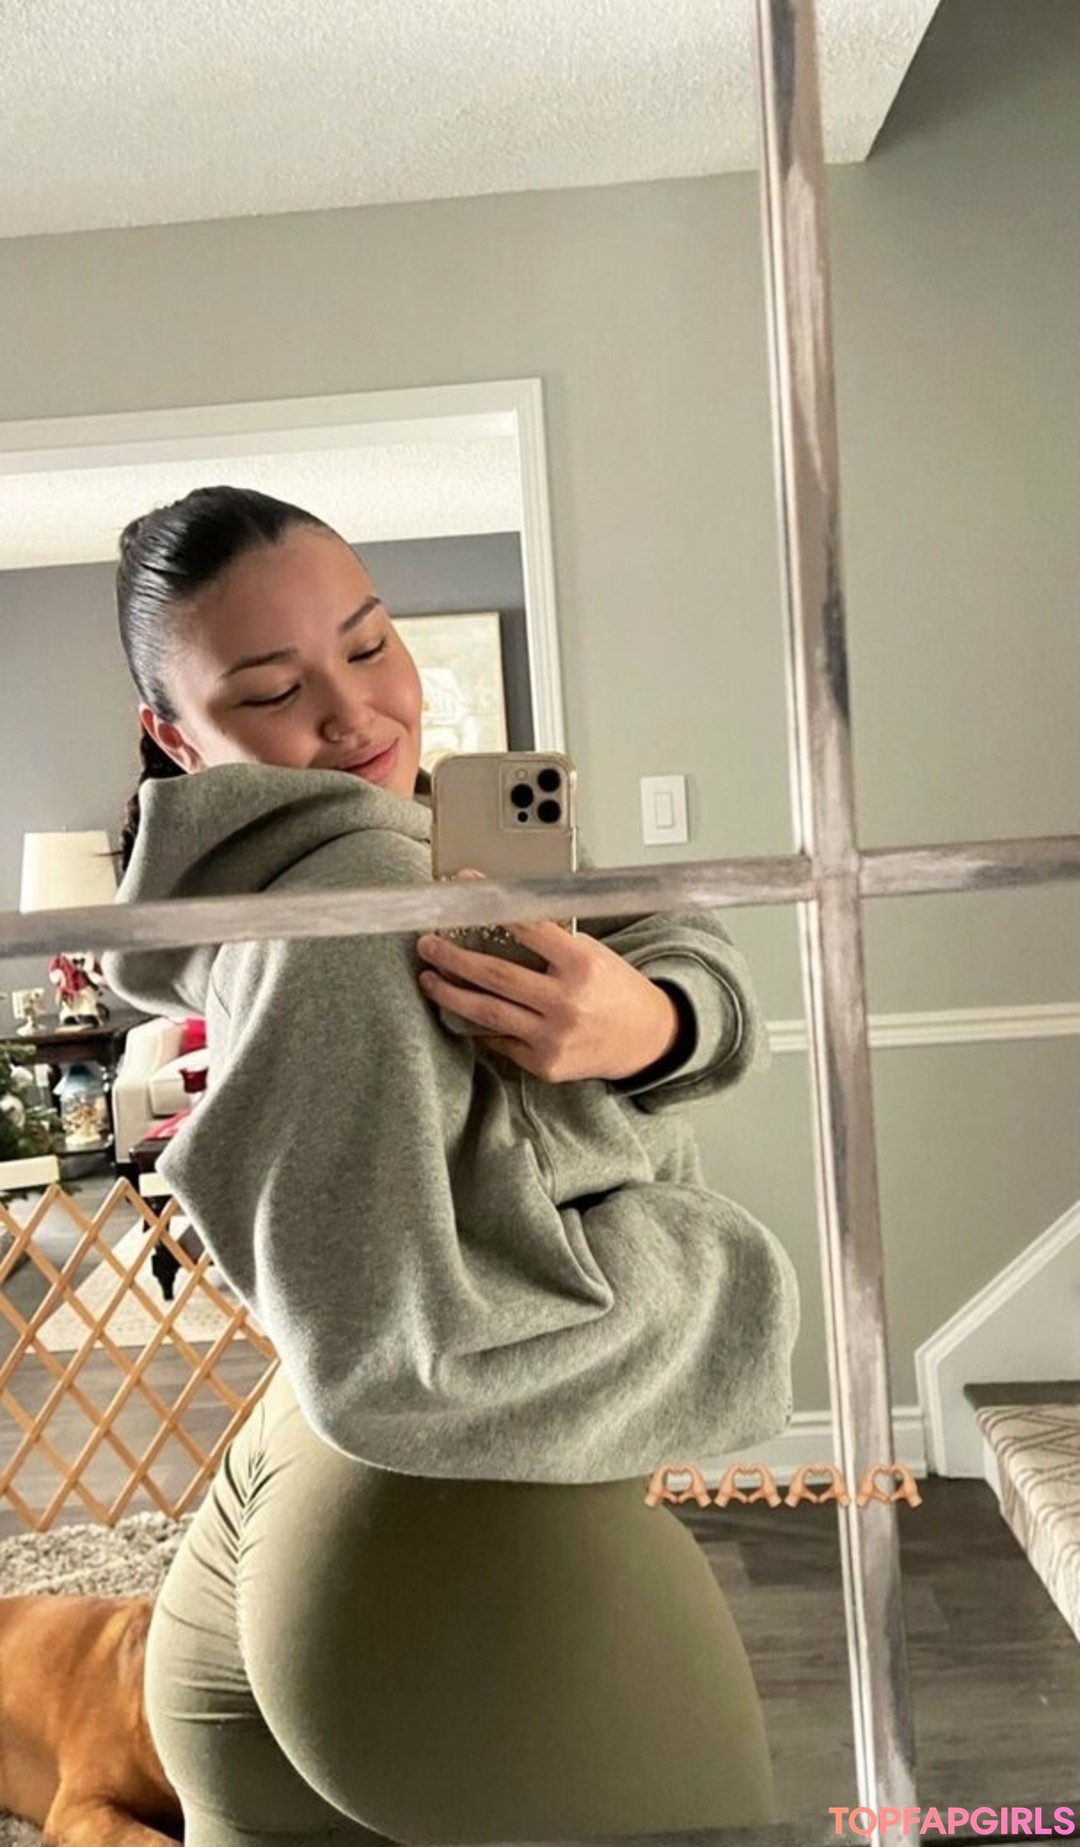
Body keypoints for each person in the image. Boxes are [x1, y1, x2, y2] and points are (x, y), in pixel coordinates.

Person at [104, 486, 800, 1847]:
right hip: (452, 1536)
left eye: (368, 644)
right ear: (176, 738)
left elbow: (676, 948)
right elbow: (412, 1344)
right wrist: (704, 1251)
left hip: (291, 1513)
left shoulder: (424, 845)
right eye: (271, 690)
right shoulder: (347, 898)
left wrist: (648, 1023)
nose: (352, 713)